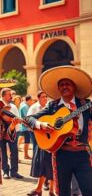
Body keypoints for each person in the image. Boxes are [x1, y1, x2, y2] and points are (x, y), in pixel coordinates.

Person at [25, 66, 92, 196]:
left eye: (68, 83)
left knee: (89, 190)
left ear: (74, 87)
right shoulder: (52, 106)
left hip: (82, 154)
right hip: (61, 155)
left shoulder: (85, 104)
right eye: (61, 84)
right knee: (62, 192)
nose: (64, 86)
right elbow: (28, 119)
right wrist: (41, 124)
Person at [26, 91, 55, 196]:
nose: (45, 98)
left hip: (55, 138)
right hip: (41, 136)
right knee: (43, 162)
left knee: (52, 164)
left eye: (46, 96)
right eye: (43, 97)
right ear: (38, 98)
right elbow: (28, 120)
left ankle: (51, 190)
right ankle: (39, 188)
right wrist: (40, 126)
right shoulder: (36, 107)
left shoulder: (52, 105)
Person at [0, 87, 23, 179]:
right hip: (1, 131)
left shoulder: (13, 106)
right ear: (3, 95)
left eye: (11, 94)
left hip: (13, 132)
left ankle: (14, 172)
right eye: (9, 95)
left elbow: (16, 118)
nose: (11, 96)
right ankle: (5, 171)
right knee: (3, 152)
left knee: (14, 151)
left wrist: (17, 129)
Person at [18, 95, 34, 159]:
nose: (32, 101)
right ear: (28, 100)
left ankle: (25, 154)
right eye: (31, 100)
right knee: (27, 141)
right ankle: (26, 155)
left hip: (24, 127)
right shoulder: (25, 107)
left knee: (23, 139)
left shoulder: (26, 106)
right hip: (25, 127)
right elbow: (26, 117)